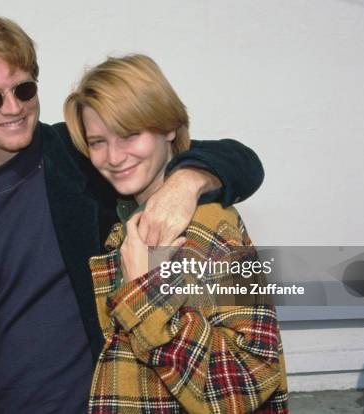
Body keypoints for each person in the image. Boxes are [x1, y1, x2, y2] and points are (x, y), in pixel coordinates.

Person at [0, 14, 265, 413]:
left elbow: (240, 160)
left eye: (23, 89)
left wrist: (186, 182)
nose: (13, 108)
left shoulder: (87, 156)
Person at [64, 54, 288, 413]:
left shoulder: (212, 224)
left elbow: (251, 376)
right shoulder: (121, 217)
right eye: (97, 142)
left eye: (130, 134)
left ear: (168, 126)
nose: (114, 156)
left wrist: (145, 295)